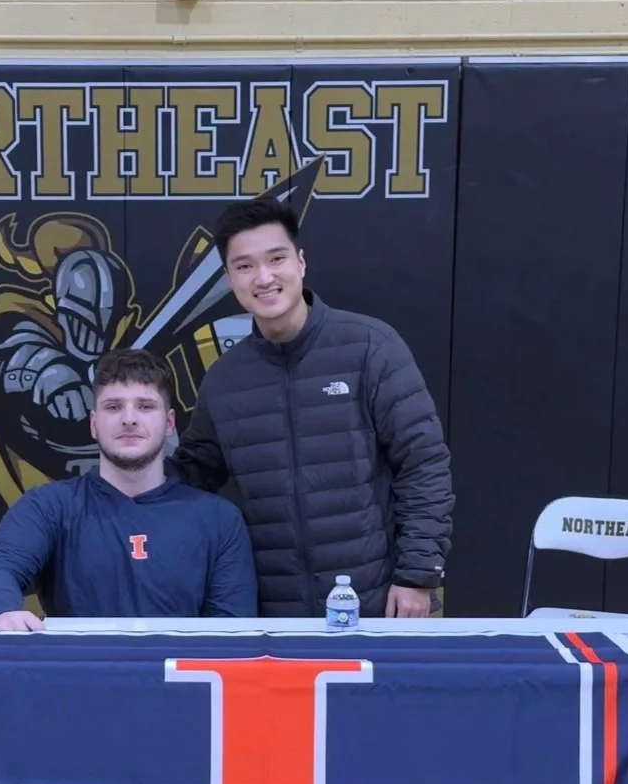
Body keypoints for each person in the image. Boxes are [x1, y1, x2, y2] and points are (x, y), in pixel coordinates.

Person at [171, 196, 454, 620]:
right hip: (274, 615)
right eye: (244, 266)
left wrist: (416, 576)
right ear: (230, 279)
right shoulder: (225, 380)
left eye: (276, 258)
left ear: (300, 263)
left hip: (379, 604)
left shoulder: (371, 347)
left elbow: (424, 466)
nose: (263, 277)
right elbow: (192, 477)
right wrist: (122, 474)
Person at [0, 348, 257, 632]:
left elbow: (230, 633)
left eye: (145, 406)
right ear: (94, 424)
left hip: (179, 678)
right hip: (76, 677)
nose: (129, 419)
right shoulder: (49, 506)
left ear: (169, 423)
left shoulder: (219, 519)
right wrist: (0, 612)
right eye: (113, 407)